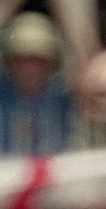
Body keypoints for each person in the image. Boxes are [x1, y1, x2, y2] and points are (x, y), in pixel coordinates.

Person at [0, 11, 74, 156]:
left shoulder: (64, 98)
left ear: (51, 65)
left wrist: (62, 9)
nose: (29, 69)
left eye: (37, 61)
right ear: (8, 64)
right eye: (21, 61)